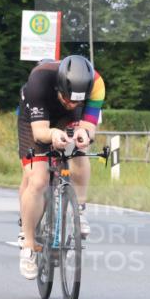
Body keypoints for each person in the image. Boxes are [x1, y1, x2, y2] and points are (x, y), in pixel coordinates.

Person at [16, 55, 105, 279]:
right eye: (67, 98)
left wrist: (85, 133)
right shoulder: (39, 81)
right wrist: (53, 134)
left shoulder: (97, 85)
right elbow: (40, 133)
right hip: (35, 118)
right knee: (38, 179)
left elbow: (89, 125)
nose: (72, 103)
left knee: (79, 149)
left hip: (67, 118)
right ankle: (28, 244)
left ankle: (80, 209)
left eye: (77, 101)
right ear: (59, 86)